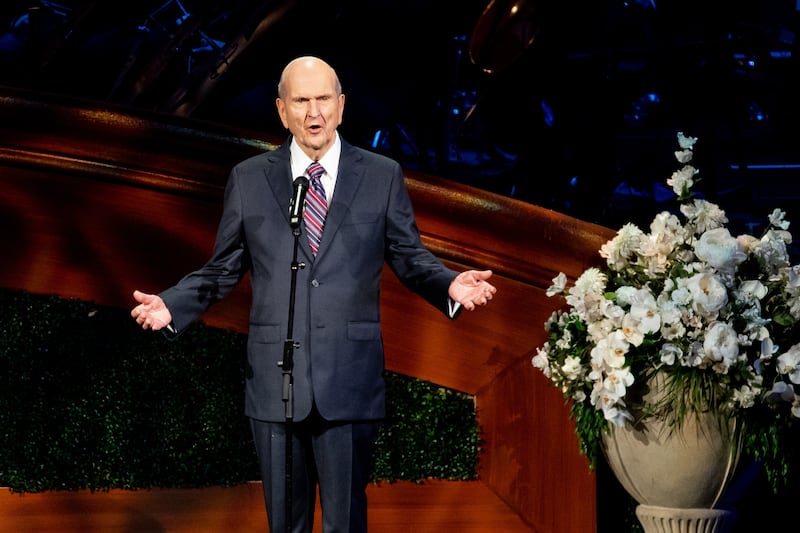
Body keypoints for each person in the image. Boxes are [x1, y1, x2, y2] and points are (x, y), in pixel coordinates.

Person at [131, 55, 497, 533]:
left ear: (341, 106)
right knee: (286, 523)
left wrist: (448, 282)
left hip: (349, 376)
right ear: (282, 111)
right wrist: (173, 303)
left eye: (323, 98)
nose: (314, 112)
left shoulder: (381, 174)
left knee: (344, 523)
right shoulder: (249, 178)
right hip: (274, 380)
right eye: (301, 101)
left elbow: (409, 256)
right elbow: (224, 267)